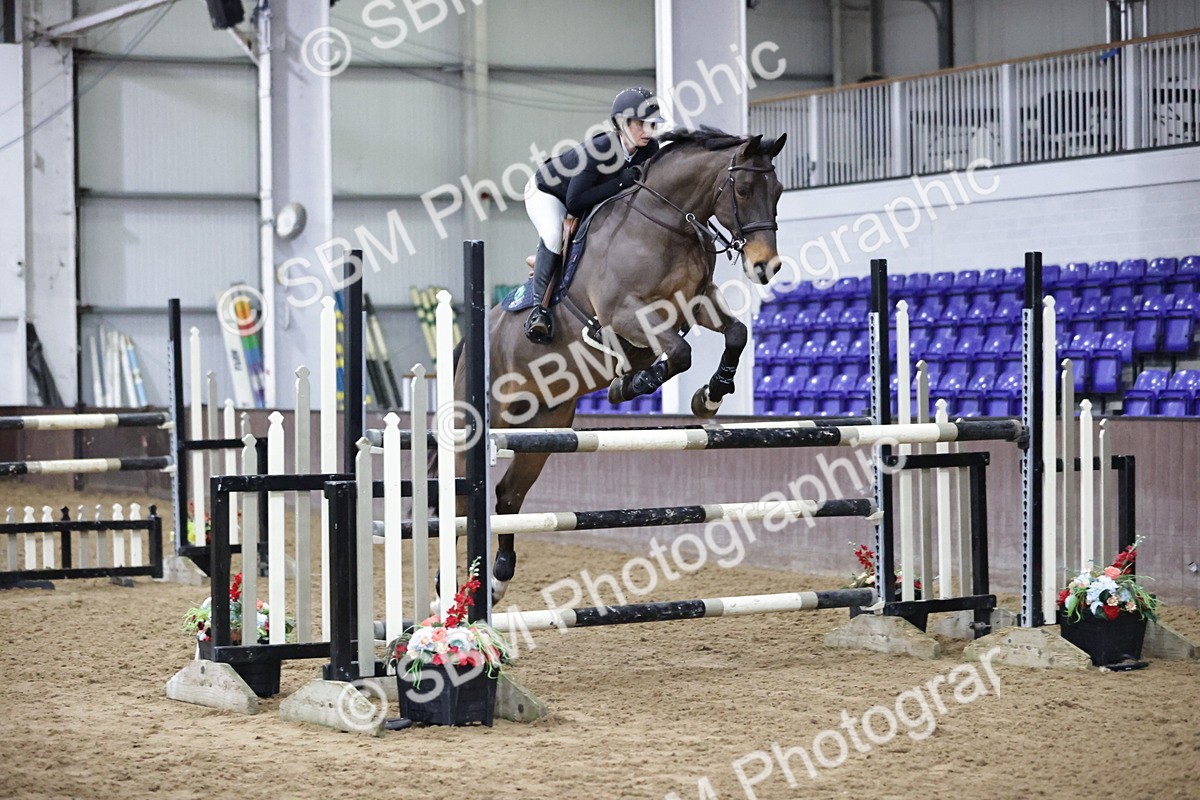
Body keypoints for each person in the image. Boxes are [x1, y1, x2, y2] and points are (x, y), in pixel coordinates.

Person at [522, 86, 666, 342]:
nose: (648, 131)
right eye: (641, 124)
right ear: (622, 123)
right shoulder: (600, 149)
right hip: (549, 193)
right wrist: (621, 182)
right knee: (555, 234)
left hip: (587, 196)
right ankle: (539, 310)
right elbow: (575, 203)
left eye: (651, 125)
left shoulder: (649, 150)